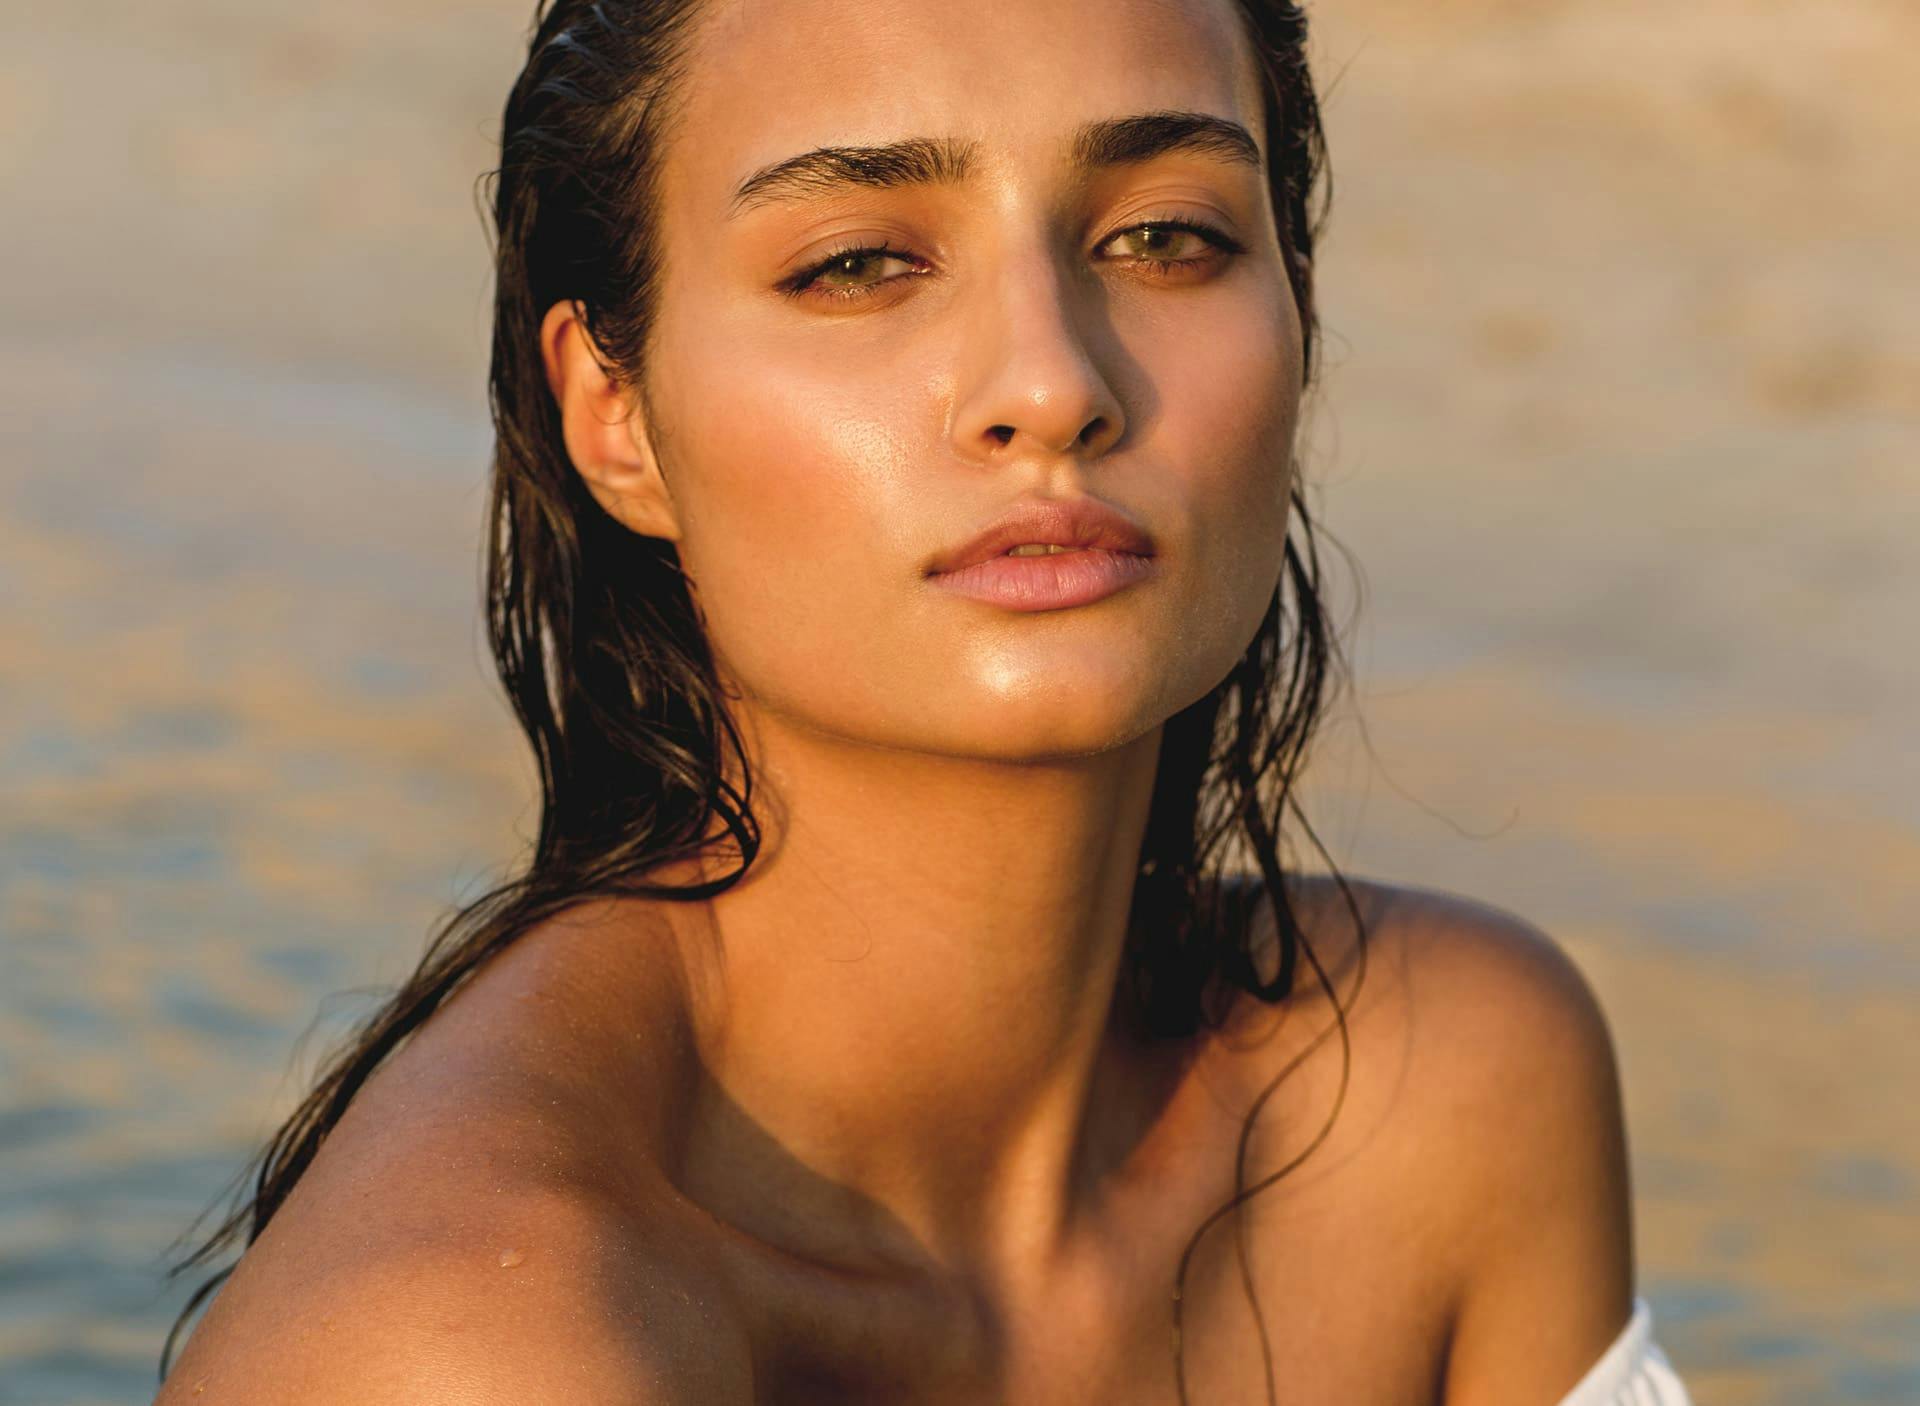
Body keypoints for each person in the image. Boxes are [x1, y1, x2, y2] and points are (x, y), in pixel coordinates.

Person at [156, 0, 1693, 1401]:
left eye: (1165, 236)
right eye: (857, 263)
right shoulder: (485, 1344)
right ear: (613, 416)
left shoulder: (1438, 1098)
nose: (1050, 383)